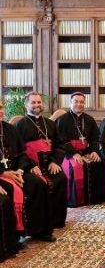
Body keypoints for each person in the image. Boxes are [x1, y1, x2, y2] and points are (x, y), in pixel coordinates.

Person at [15, 91, 67, 230]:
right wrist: (30, 166)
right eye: (33, 102)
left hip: (49, 163)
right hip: (30, 166)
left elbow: (60, 145)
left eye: (39, 102)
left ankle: (56, 221)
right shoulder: (20, 125)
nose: (37, 105)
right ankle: (40, 225)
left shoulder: (50, 124)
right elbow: (19, 151)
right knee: (39, 184)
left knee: (61, 178)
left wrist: (55, 161)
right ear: (26, 104)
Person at [56, 92, 105, 207]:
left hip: (86, 151)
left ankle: (94, 199)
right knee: (76, 166)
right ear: (70, 103)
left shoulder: (89, 119)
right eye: (76, 102)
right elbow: (60, 140)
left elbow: (95, 138)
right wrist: (73, 153)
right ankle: (77, 200)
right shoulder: (62, 120)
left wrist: (94, 151)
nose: (79, 104)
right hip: (67, 153)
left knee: (98, 162)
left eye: (82, 102)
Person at [0, 99, 26, 259]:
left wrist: (20, 170)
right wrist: (3, 173)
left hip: (14, 171)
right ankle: (11, 241)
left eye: (1, 108)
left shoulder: (10, 129)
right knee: (8, 194)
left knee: (36, 184)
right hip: (2, 175)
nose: (0, 112)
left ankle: (34, 231)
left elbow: (22, 154)